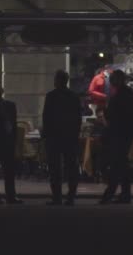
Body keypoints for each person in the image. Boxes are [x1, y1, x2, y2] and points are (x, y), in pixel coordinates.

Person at [42, 70, 82, 206]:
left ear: (58, 80)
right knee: (71, 167)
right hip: (70, 137)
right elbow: (78, 118)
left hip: (54, 137)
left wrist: (45, 135)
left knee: (55, 169)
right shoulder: (74, 97)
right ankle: (70, 196)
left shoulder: (51, 96)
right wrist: (76, 134)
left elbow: (46, 117)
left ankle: (57, 197)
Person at [100, 70, 133, 205]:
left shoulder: (120, 95)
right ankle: (124, 193)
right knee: (122, 163)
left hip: (119, 133)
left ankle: (111, 193)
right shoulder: (128, 93)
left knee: (118, 163)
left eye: (112, 79)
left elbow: (113, 114)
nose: (110, 82)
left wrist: (105, 110)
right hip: (126, 133)